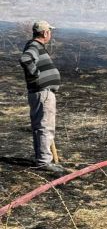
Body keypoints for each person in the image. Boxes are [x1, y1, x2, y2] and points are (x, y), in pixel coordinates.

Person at [19, 20, 64, 172]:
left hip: (43, 93)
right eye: (50, 32)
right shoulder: (34, 46)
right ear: (45, 33)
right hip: (43, 93)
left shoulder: (36, 46)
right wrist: (37, 75)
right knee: (44, 127)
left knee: (45, 126)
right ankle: (44, 162)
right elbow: (25, 59)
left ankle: (45, 158)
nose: (50, 34)